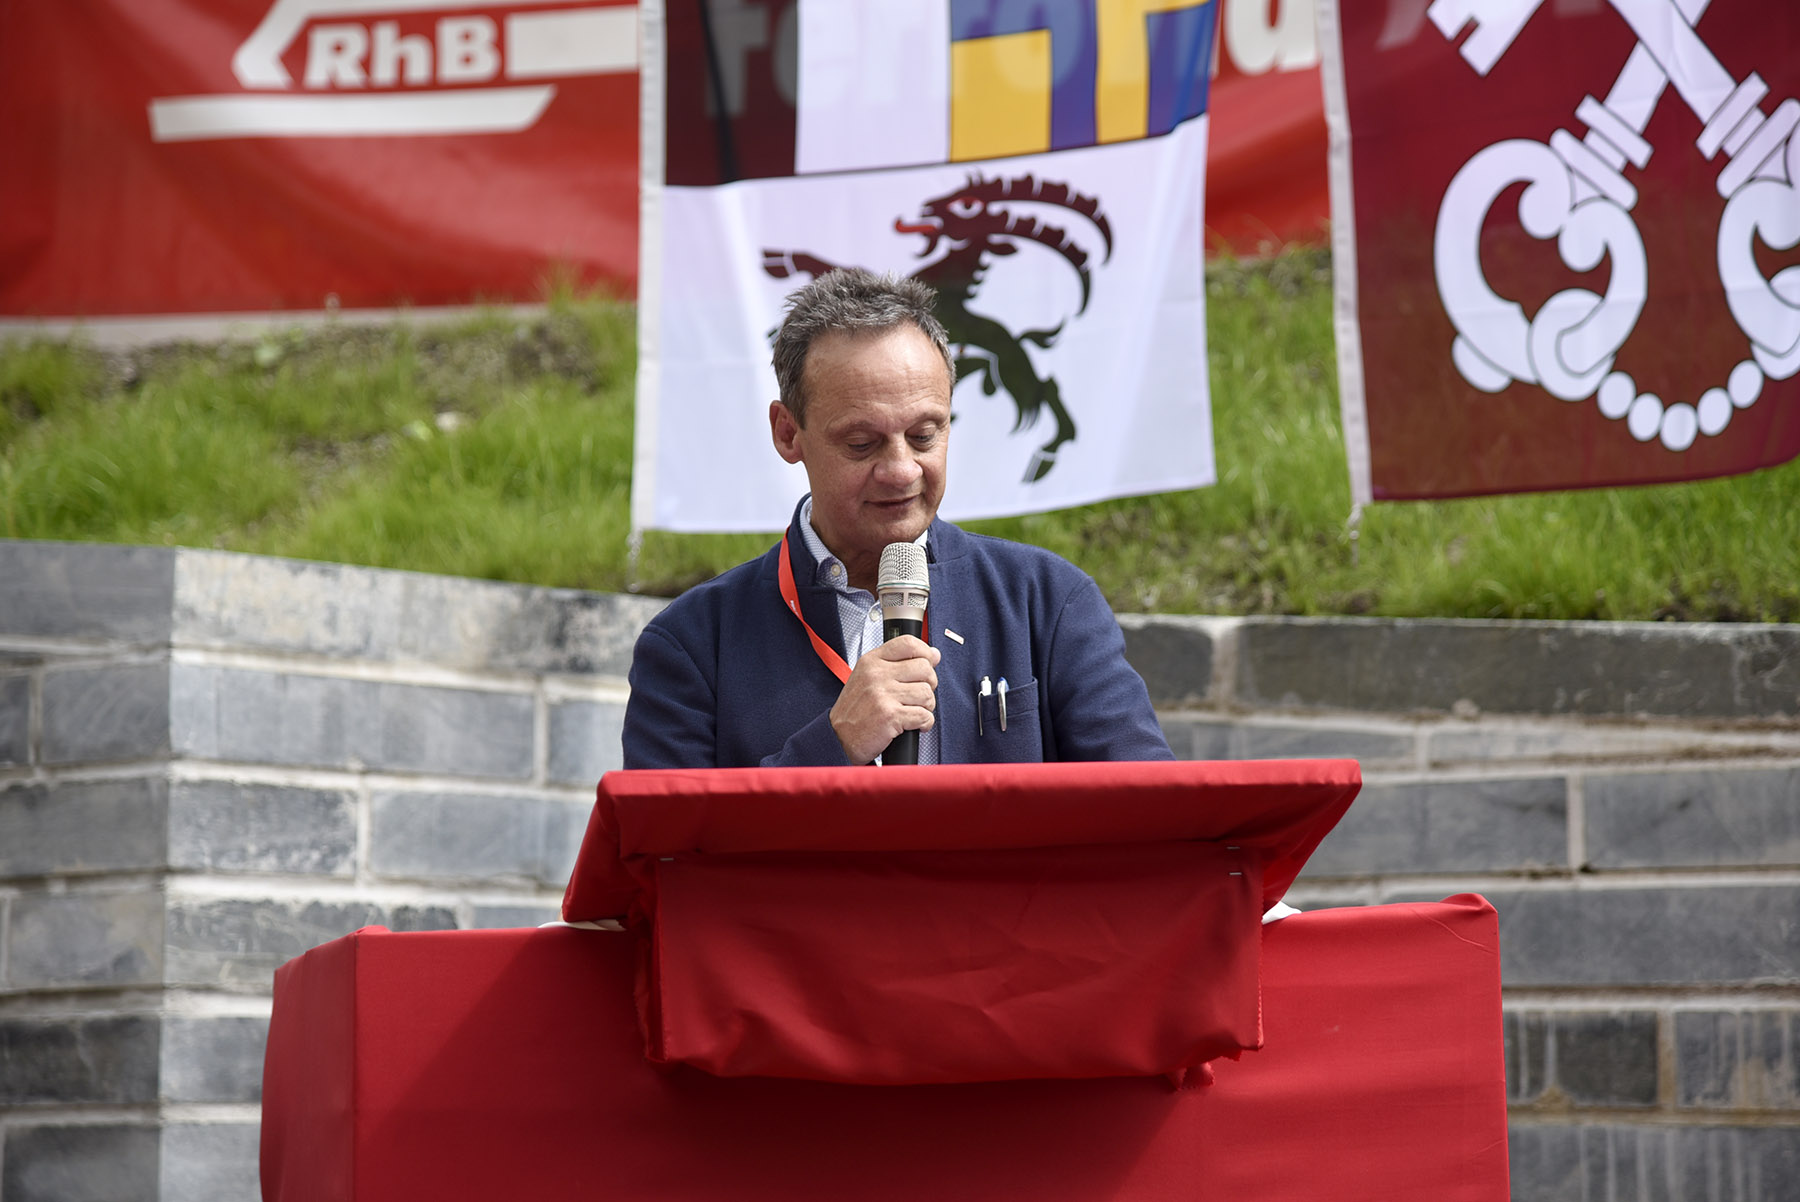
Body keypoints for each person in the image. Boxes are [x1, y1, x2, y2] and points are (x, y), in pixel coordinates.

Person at [621, 268, 1171, 768]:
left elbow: (1150, 813)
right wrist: (832, 746)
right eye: (862, 443)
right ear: (788, 434)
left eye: (924, 435)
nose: (902, 470)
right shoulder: (693, 644)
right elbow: (672, 841)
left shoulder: (1046, 602)